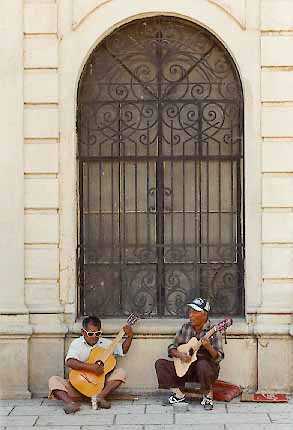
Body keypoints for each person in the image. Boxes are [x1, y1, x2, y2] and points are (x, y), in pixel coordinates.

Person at [48, 315, 133, 413]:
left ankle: (99, 398)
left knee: (121, 372)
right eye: (90, 333)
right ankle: (70, 403)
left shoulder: (106, 344)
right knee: (53, 380)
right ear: (83, 332)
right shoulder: (77, 343)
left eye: (97, 333)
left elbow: (122, 350)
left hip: (99, 387)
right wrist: (92, 368)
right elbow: (70, 361)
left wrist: (130, 336)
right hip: (77, 386)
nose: (94, 337)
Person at [155, 297, 224, 410]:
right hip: (186, 369)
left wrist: (208, 347)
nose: (190, 315)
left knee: (203, 364)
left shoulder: (213, 331)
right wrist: (180, 355)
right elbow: (172, 348)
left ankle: (207, 396)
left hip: (204, 372)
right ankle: (179, 395)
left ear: (204, 315)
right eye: (190, 311)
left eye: (194, 312)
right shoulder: (185, 327)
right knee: (160, 364)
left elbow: (219, 357)